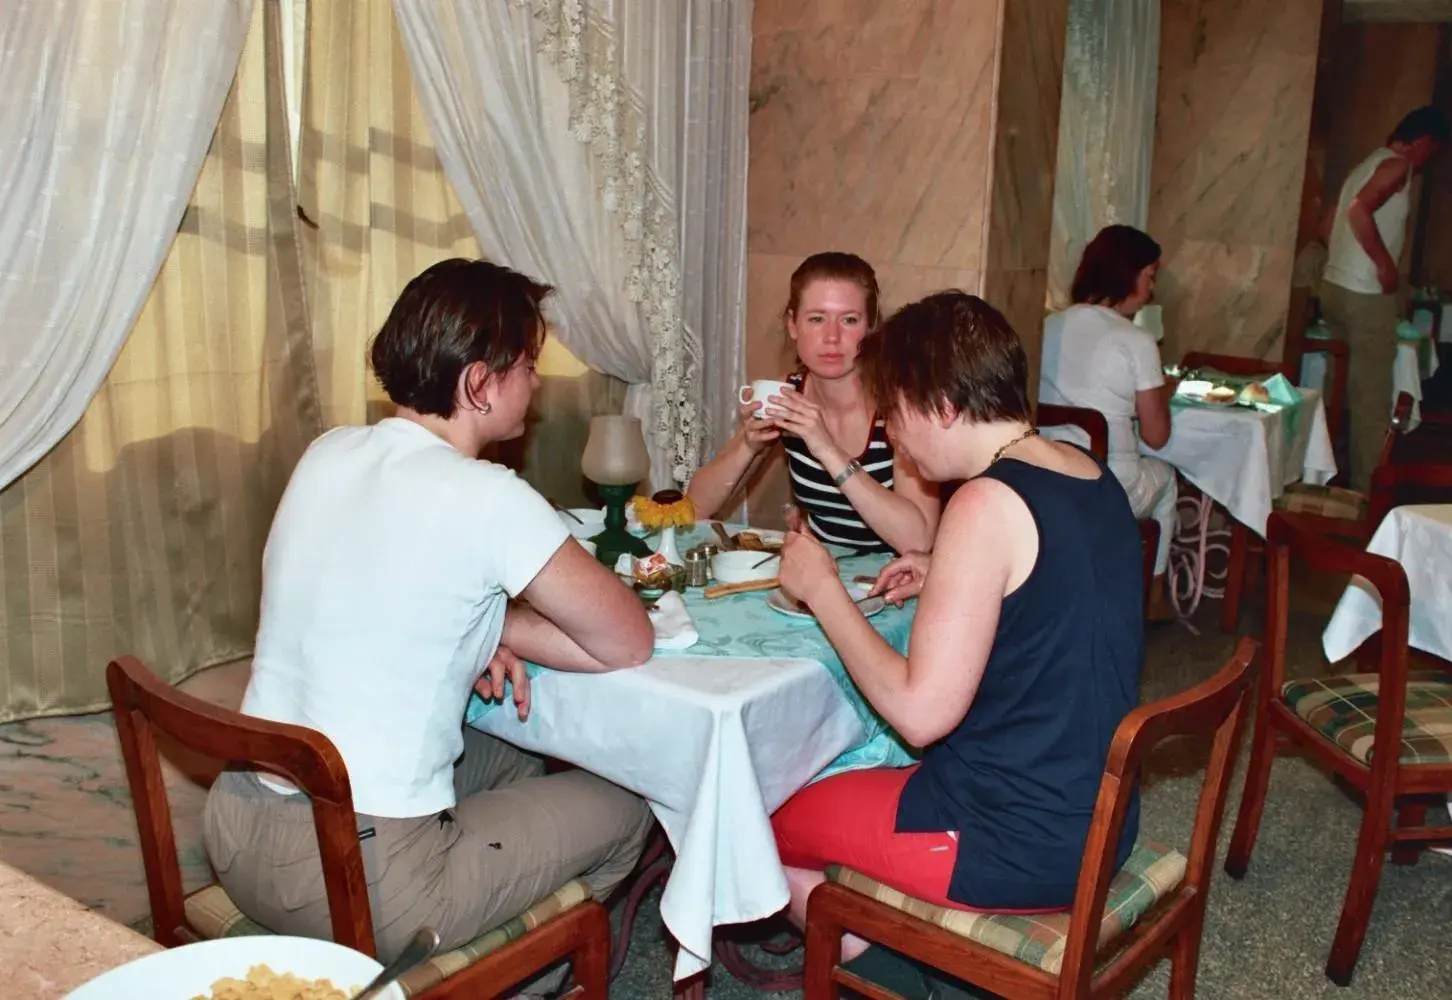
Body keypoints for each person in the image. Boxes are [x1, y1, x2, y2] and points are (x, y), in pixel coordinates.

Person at [203, 259, 656, 964]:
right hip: (358, 887)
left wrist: (483, 624)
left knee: (518, 755)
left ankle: (485, 915)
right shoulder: (491, 498)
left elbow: (378, 590)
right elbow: (629, 639)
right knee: (629, 806)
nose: (536, 382)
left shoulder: (329, 451)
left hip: (236, 832)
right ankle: (489, 977)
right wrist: (501, 624)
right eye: (528, 363)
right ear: (479, 381)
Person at [771, 291, 1144, 959]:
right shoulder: (1084, 467)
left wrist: (824, 590)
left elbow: (920, 716)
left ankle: (885, 967)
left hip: (1009, 838)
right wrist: (943, 566)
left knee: (761, 824)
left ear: (941, 406)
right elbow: (1054, 583)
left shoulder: (982, 502)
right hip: (1101, 818)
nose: (889, 433)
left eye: (895, 413)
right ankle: (884, 944)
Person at [687, 252, 939, 554]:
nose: (832, 337)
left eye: (849, 320)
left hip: (897, 581)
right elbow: (695, 507)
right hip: (821, 576)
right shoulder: (787, 394)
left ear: (872, 327)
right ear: (793, 325)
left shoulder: (901, 403)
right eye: (817, 319)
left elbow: (919, 542)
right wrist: (749, 445)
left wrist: (827, 449)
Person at [1039, 225, 1175, 619]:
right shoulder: (1136, 340)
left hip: (1045, 476)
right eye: (1150, 276)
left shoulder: (1047, 326)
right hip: (1108, 487)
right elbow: (1157, 435)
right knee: (1166, 478)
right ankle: (1153, 596)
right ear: (1129, 275)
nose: (1151, 290)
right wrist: (1161, 394)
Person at [1321, 105, 1449, 490]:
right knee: (1371, 399)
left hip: (1335, 288)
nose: (1427, 162)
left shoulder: (1365, 164)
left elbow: (1327, 224)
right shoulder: (1397, 166)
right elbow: (1360, 211)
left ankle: (1323, 472)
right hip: (1365, 295)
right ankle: (1367, 492)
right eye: (1432, 151)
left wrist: (1345, 260)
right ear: (1424, 142)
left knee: (1338, 386)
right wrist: (1383, 266)